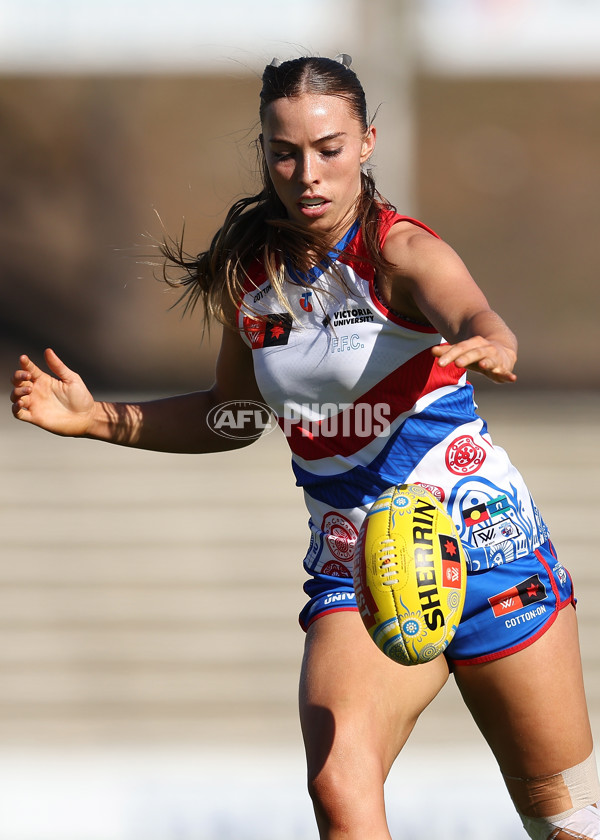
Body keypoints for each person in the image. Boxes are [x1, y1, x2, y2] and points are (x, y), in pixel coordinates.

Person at [10, 54, 600, 840]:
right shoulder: (249, 274)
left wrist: (490, 339)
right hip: (358, 563)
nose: (308, 174)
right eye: (285, 153)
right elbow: (232, 416)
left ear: (367, 144)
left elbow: (472, 312)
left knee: (563, 818)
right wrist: (96, 420)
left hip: (485, 543)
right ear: (265, 153)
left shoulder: (398, 252)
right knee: (338, 784)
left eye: (329, 149)